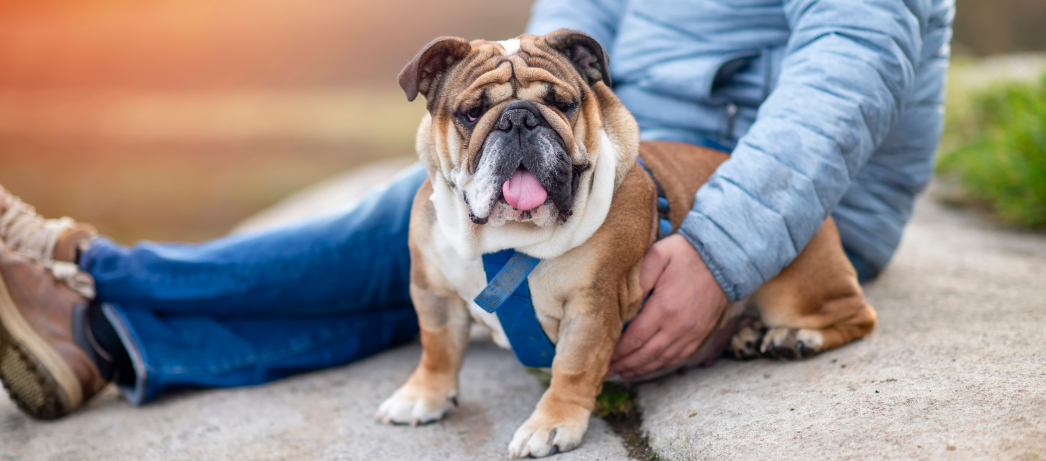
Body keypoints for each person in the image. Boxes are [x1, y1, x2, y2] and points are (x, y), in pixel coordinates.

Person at [0, 0, 953, 419]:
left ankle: (93, 271)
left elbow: (849, 80)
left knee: (389, 233)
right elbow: (556, 50)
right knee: (427, 255)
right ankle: (108, 337)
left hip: (783, 206)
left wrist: (721, 254)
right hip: (605, 166)